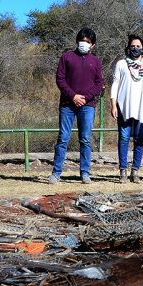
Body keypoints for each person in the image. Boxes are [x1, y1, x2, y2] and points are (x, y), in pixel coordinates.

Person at [49, 27, 104, 184]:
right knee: (63, 138)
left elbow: (99, 83)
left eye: (88, 42)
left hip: (88, 106)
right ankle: (56, 172)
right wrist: (72, 96)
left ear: (92, 45)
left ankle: (85, 173)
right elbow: (60, 79)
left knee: (85, 139)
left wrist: (85, 98)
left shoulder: (96, 61)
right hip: (67, 104)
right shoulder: (66, 57)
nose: (84, 44)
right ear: (77, 41)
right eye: (82, 40)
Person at [110, 34, 143, 183]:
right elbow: (115, 85)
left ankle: (135, 171)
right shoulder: (121, 64)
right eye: (133, 46)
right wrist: (113, 105)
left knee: (140, 139)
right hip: (124, 107)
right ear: (128, 47)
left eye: (138, 46)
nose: (135, 48)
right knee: (124, 138)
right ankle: (123, 171)